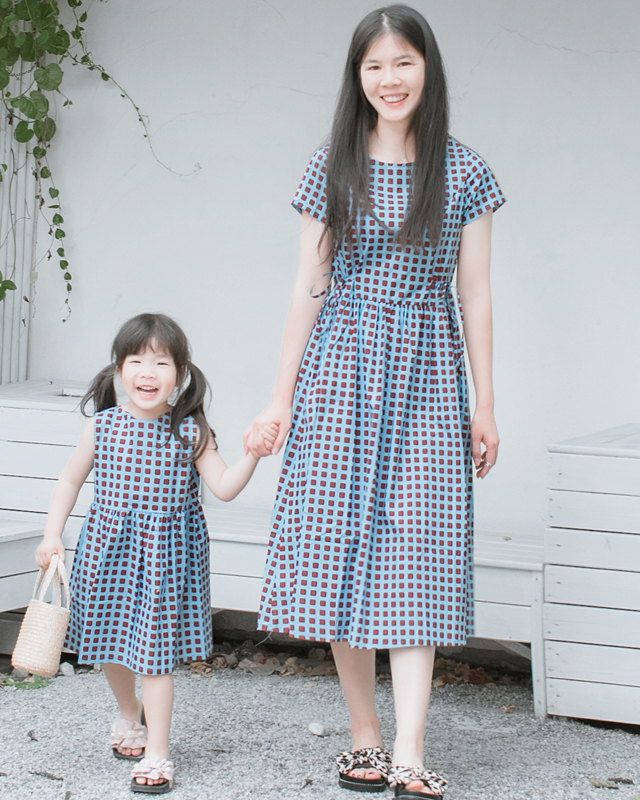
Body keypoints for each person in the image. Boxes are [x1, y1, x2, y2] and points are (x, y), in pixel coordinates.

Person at [244, 5, 505, 798]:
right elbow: (306, 285)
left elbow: (477, 296)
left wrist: (485, 406)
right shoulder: (333, 165)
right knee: (337, 551)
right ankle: (365, 734)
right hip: (341, 372)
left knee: (416, 555)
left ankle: (413, 748)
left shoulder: (464, 173)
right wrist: (281, 397)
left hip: (429, 375)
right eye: (374, 67)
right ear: (357, 78)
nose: (390, 80)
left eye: (404, 63)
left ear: (428, 69)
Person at [36, 313, 276, 795]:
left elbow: (225, 487)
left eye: (161, 361)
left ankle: (158, 753)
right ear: (118, 369)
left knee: (154, 658)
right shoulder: (102, 427)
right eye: (136, 360)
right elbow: (69, 481)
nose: (148, 371)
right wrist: (52, 534)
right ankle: (130, 713)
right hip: (108, 552)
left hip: (166, 560)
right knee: (105, 642)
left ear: (181, 372)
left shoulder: (190, 431)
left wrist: (253, 452)